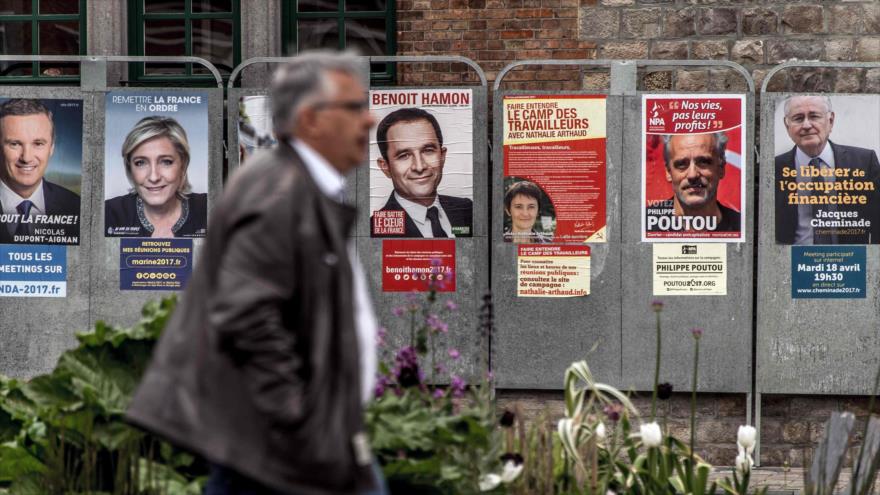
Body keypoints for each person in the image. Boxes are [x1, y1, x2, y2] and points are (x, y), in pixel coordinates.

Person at [126, 52, 387, 495]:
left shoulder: (304, 186)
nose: (370, 120)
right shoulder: (279, 192)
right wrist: (296, 420)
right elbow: (246, 311)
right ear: (311, 120)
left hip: (300, 436)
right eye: (354, 108)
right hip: (278, 445)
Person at [775, 95, 880, 244]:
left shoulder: (864, 162)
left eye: (814, 116)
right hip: (795, 261)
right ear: (787, 126)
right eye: (798, 118)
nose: (806, 125)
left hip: (850, 262)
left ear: (830, 121)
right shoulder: (774, 168)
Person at [371, 107, 472, 238]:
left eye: (428, 150)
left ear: (442, 156)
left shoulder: (467, 209)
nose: (419, 167)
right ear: (385, 167)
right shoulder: (372, 230)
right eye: (404, 155)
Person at [105, 116, 207, 237]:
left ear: (183, 165)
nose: (154, 177)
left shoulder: (210, 208)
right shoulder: (109, 213)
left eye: (166, 162)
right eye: (140, 163)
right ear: (130, 168)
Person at [0, 98, 80, 244]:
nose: (27, 157)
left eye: (38, 143)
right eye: (15, 144)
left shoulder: (76, 206)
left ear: (52, 148)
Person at [646, 132, 740, 233]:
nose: (692, 175)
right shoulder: (642, 225)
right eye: (682, 164)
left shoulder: (741, 227)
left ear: (721, 168)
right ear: (668, 172)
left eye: (703, 162)